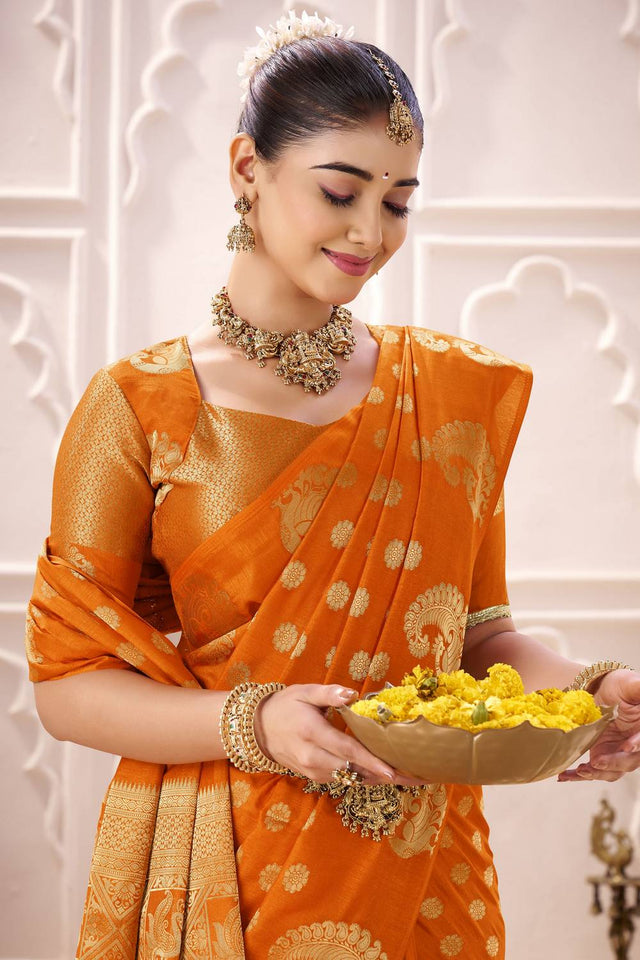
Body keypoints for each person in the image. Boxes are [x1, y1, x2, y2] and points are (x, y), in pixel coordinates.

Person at [24, 11, 640, 960]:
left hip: (423, 868)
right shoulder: (138, 405)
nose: (370, 231)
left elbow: (478, 636)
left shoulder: (447, 398)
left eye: (397, 202)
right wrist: (251, 721)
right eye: (342, 191)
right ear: (247, 170)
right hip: (222, 860)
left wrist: (590, 694)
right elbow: (67, 688)